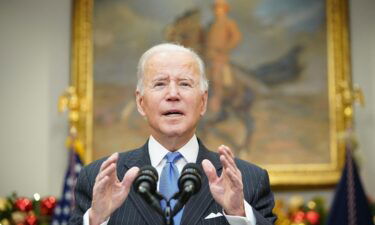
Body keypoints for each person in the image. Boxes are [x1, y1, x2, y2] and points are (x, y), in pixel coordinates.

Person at [69, 43, 276, 225]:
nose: (173, 94)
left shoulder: (249, 180)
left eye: (185, 84)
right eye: (160, 84)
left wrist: (238, 214)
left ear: (203, 102)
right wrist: (96, 220)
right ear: (141, 103)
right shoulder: (98, 179)